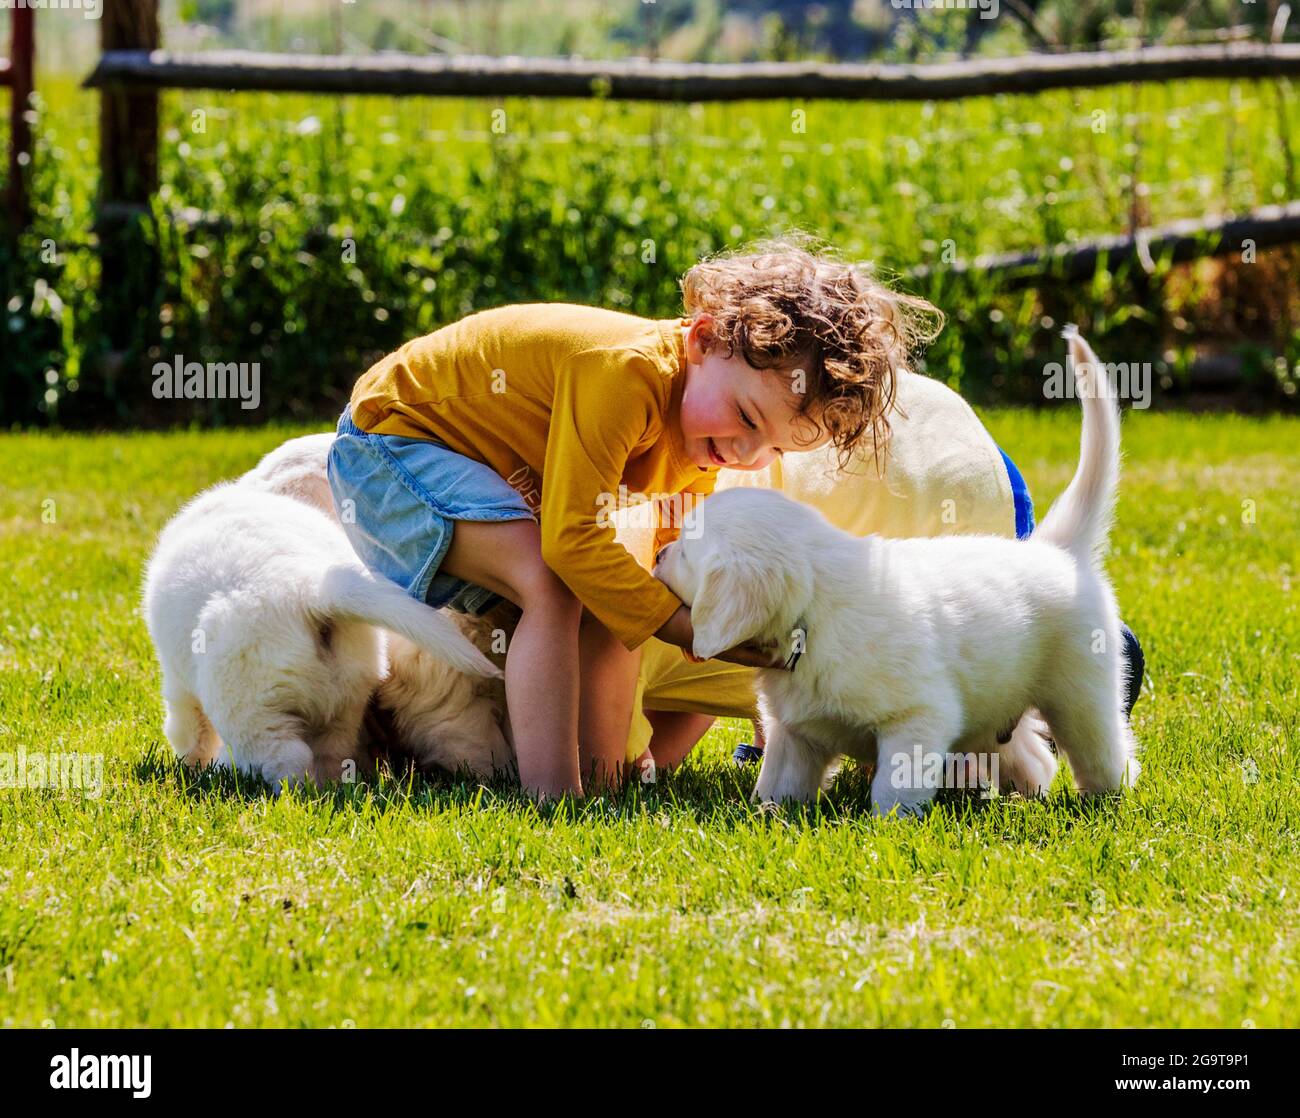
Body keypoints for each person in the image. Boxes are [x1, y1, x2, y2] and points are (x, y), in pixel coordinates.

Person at [326, 237, 939, 798]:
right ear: (702, 340)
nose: (749, 454)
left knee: (624, 601)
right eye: (749, 419)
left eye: (777, 448)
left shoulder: (701, 447)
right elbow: (571, 540)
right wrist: (678, 624)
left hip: (476, 478)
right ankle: (556, 800)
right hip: (390, 446)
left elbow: (652, 585)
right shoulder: (627, 375)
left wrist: (711, 624)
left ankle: (613, 780)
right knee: (553, 584)